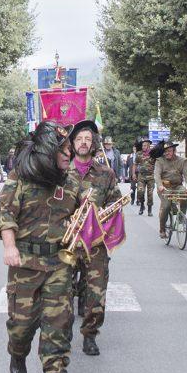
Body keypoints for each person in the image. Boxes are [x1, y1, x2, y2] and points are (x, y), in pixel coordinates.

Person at [0, 121, 86, 373]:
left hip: (59, 261)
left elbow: (85, 216)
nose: (69, 154)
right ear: (49, 151)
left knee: (58, 323)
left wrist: (90, 220)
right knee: (21, 325)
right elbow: (6, 215)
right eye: (64, 149)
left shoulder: (72, 182)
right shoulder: (19, 177)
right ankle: (17, 353)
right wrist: (9, 247)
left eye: (70, 149)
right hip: (24, 260)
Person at [67, 120, 121, 356]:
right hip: (66, 242)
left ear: (94, 143)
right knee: (61, 292)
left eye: (88, 139)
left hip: (95, 243)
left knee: (96, 293)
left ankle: (90, 334)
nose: (83, 142)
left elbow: (115, 203)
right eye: (79, 138)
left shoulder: (105, 173)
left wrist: (102, 217)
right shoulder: (60, 171)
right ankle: (63, 331)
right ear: (72, 143)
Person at [154, 140, 187, 240]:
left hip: (177, 186)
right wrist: (160, 185)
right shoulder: (159, 161)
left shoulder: (182, 161)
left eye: (169, 151)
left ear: (174, 151)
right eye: (165, 151)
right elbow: (157, 175)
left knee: (184, 194)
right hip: (164, 188)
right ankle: (162, 229)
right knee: (166, 206)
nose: (167, 153)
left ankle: (181, 217)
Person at [133, 139, 155, 216]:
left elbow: (158, 164)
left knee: (150, 194)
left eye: (145, 145)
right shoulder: (139, 154)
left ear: (148, 146)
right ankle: (142, 205)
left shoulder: (153, 154)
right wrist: (134, 174)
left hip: (151, 177)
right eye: (142, 145)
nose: (143, 147)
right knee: (140, 192)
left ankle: (149, 209)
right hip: (141, 176)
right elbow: (135, 164)